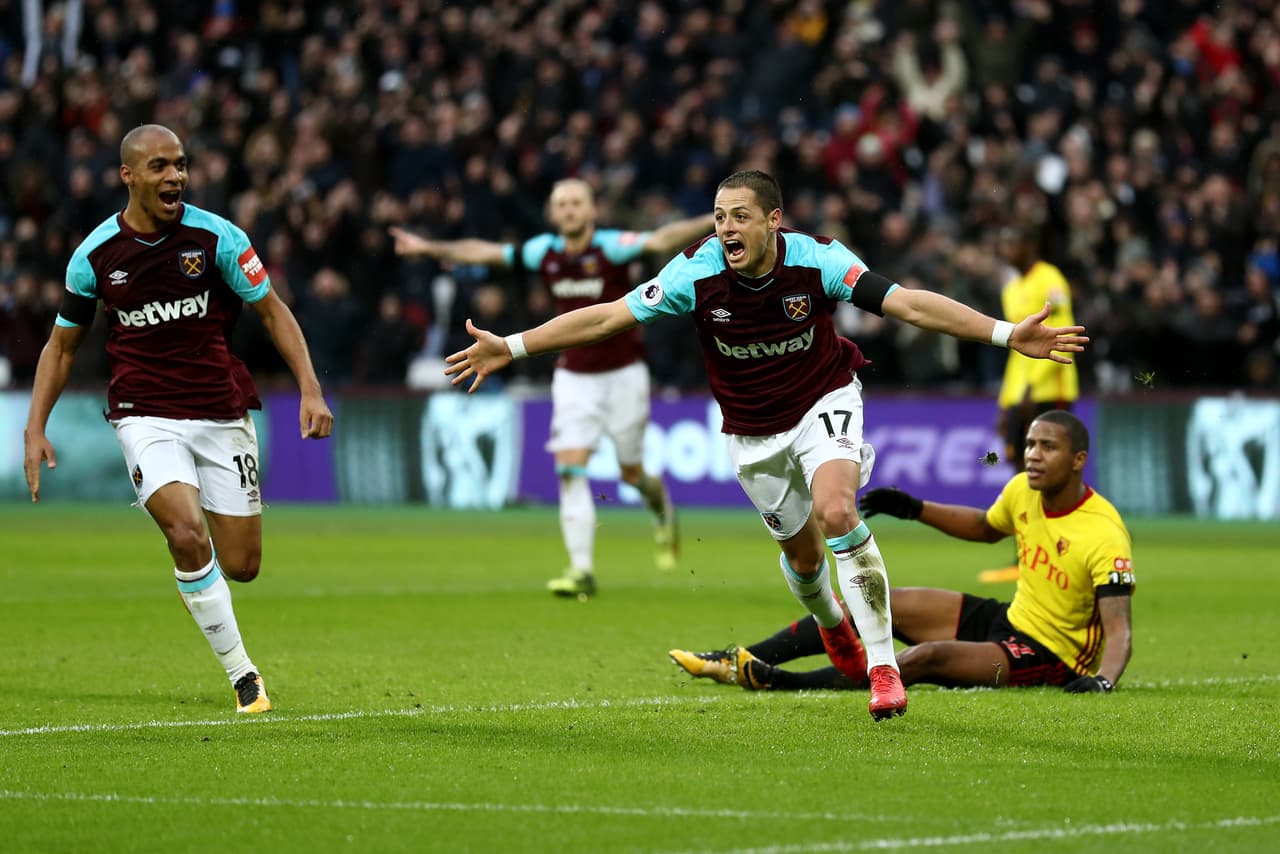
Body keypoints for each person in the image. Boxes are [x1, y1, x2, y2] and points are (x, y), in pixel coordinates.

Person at [444, 170, 1088, 720]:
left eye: (740, 216)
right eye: (719, 216)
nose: (726, 228)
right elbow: (608, 315)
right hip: (752, 432)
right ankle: (833, 623)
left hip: (823, 401)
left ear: (773, 220)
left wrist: (1006, 334)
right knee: (804, 562)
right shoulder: (695, 271)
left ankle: (883, 668)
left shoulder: (818, 260)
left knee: (838, 511)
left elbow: (908, 305)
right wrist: (514, 345)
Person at [23, 124, 334, 714]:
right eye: (160, 166)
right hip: (144, 414)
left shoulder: (218, 238)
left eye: (181, 165)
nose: (176, 177)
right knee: (187, 533)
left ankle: (203, 583)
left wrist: (309, 389)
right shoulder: (95, 257)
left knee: (242, 565)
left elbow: (272, 312)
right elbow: (61, 347)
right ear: (128, 176)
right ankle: (244, 676)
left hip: (219, 410)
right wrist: (35, 426)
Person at [391, 179, 712, 597]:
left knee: (631, 473)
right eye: (562, 204)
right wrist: (432, 248)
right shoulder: (544, 252)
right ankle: (581, 570)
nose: (570, 209)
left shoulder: (611, 248)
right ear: (553, 213)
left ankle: (663, 510)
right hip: (573, 376)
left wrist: (715, 220)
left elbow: (662, 239)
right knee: (569, 467)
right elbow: (486, 252)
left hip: (624, 374)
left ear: (591, 210)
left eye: (577, 202)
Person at [670, 411, 1133, 695]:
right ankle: (737, 657)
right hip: (1011, 618)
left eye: (1048, 447)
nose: (1033, 455)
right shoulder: (1023, 490)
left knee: (925, 657)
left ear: (1078, 460)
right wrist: (914, 508)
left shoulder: (1103, 533)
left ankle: (775, 680)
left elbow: (1119, 631)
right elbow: (985, 528)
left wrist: (1103, 679)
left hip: (1049, 653)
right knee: (876, 602)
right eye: (1030, 444)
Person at [984, 225, 1080, 582]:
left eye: (1012, 242)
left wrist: (1032, 388)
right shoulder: (1011, 287)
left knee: (1052, 471)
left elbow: (1064, 337)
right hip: (1020, 392)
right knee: (1021, 469)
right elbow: (1016, 350)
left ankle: (1066, 547)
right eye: (1003, 242)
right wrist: (1006, 401)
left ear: (1029, 245)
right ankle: (1028, 554)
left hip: (1050, 389)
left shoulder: (1050, 279)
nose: (1005, 249)